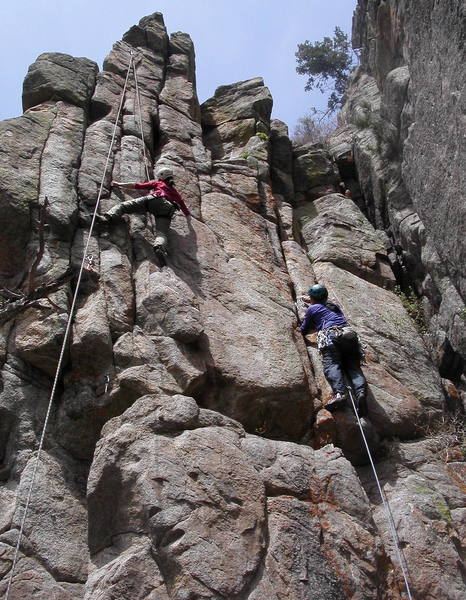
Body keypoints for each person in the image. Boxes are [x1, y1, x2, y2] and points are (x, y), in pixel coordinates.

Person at [298, 284, 368, 416]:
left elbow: (304, 328)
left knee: (332, 364)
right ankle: (361, 392)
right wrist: (312, 300)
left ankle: (340, 394)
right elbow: (324, 306)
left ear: (312, 298)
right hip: (349, 335)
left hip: (332, 335)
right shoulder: (334, 306)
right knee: (353, 367)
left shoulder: (312, 309)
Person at [96, 167, 190, 254]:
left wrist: (119, 184)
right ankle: (159, 246)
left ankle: (107, 218)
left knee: (124, 206)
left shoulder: (158, 183)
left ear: (161, 176)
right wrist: (188, 217)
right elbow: (182, 204)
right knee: (161, 233)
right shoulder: (174, 191)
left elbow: (138, 185)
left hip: (155, 199)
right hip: (167, 209)